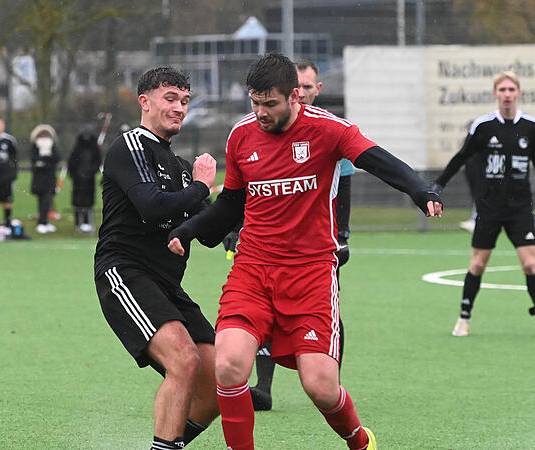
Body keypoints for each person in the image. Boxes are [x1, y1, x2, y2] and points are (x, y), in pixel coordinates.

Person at [167, 52, 442, 450]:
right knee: (227, 364)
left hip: (311, 273)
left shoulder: (328, 129)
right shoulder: (241, 135)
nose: (260, 112)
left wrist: (419, 189)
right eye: (255, 102)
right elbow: (231, 203)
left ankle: (359, 441)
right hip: (253, 268)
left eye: (270, 104)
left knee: (321, 386)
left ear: (295, 96)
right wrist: (190, 230)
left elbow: (375, 158)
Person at [93, 67, 219, 449]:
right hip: (125, 273)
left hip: (166, 285)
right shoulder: (130, 146)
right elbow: (152, 207)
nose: (180, 107)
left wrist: (241, 214)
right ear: (144, 102)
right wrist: (202, 186)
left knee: (218, 383)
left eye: (185, 101)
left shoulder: (180, 168)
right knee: (183, 360)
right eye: (171, 98)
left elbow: (211, 230)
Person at [246, 59, 355, 411]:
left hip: (317, 246)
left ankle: (328, 379)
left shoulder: (330, 130)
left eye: (309, 87)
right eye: (299, 86)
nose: (303, 93)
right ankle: (263, 387)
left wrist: (343, 234)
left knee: (327, 314)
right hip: (270, 245)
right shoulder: (261, 128)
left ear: (315, 90)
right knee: (264, 310)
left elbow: (344, 184)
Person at [432, 71, 535, 338]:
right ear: (495, 94)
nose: (507, 94)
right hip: (489, 207)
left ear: (519, 93)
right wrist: (439, 184)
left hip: (520, 208)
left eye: (511, 89)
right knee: (478, 263)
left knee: (529, 264)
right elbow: (461, 157)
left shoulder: (531, 127)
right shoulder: (483, 126)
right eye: (502, 90)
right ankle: (464, 318)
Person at [67, 125, 102, 233]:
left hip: (89, 179)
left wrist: (91, 172)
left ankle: (87, 222)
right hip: (78, 180)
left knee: (88, 201)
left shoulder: (94, 148)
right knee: (78, 201)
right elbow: (71, 163)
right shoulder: (76, 148)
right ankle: (78, 222)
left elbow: (97, 162)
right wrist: (76, 174)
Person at [29, 124, 61, 234]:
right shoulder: (35, 147)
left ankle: (45, 221)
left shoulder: (53, 146)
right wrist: (45, 161)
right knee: (42, 200)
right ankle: (41, 222)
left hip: (50, 178)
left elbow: (55, 158)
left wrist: (44, 161)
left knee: (48, 200)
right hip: (39, 179)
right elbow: (35, 161)